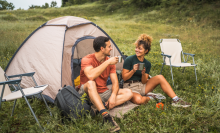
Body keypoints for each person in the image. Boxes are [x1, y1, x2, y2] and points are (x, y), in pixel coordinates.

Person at [78, 36, 133, 132]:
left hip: (102, 92)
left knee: (129, 93)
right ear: (102, 49)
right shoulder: (87, 59)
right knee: (91, 83)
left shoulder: (110, 61)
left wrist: (113, 95)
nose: (111, 48)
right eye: (109, 46)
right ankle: (105, 115)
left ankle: (97, 107)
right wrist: (107, 62)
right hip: (87, 92)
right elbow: (91, 76)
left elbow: (115, 82)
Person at [122, 34, 191, 107]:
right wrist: (133, 70)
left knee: (160, 77)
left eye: (140, 48)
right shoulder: (129, 59)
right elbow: (124, 78)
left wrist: (143, 74)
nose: (137, 50)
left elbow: (144, 81)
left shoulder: (147, 63)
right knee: (139, 100)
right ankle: (151, 97)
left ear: (146, 51)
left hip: (142, 86)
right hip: (130, 87)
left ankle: (176, 100)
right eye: (136, 48)